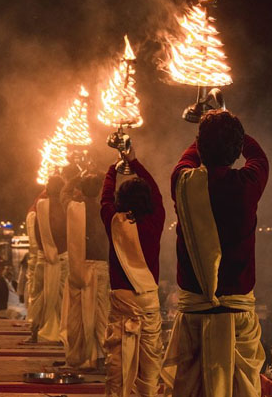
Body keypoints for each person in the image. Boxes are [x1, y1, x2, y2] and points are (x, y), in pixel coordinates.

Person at [162, 110, 269, 397]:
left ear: (200, 145)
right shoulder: (248, 185)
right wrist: (231, 126)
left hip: (195, 318)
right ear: (236, 150)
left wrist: (206, 127)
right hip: (237, 320)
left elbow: (187, 158)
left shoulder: (182, 182)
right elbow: (259, 157)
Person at [101, 147, 165, 397]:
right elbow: (157, 192)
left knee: (116, 368)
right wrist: (134, 161)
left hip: (122, 302)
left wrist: (113, 169)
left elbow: (104, 198)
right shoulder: (156, 219)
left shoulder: (113, 220)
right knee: (149, 370)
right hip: (148, 301)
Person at [60, 171, 110, 369]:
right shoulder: (106, 210)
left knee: (79, 314)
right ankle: (103, 357)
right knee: (102, 314)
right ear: (99, 191)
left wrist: (76, 175)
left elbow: (64, 193)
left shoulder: (74, 208)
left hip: (80, 267)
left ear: (81, 190)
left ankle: (81, 356)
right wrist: (105, 175)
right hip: (102, 266)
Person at [28, 175, 68, 342]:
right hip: (64, 259)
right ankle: (62, 334)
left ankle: (34, 334)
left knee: (39, 296)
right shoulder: (69, 208)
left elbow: (37, 236)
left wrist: (46, 253)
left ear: (48, 188)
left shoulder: (40, 206)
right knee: (63, 299)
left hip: (44, 258)